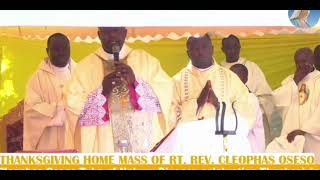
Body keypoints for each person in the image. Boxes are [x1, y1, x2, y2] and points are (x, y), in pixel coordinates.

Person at [63, 27, 173, 153]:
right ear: (99, 34)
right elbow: (71, 104)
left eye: (116, 30)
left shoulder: (146, 61)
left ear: (125, 33)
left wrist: (136, 84)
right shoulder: (85, 67)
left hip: (139, 142)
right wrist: (101, 93)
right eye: (107, 31)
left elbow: (166, 94)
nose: (112, 36)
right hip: (104, 143)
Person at [168, 34, 260, 153]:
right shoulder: (177, 81)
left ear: (212, 49)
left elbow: (247, 115)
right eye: (195, 48)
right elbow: (168, 118)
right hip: (190, 148)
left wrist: (218, 105)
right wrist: (197, 103)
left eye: (204, 47)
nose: (200, 52)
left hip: (223, 147)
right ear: (188, 53)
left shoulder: (230, 77)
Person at [23, 33, 77, 151]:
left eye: (65, 48)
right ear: (47, 51)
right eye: (56, 49)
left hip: (74, 138)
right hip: (48, 142)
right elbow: (31, 108)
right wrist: (57, 111)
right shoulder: (37, 78)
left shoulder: (80, 74)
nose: (61, 52)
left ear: (70, 49)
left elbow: (89, 102)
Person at [220, 34, 274, 145]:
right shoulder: (219, 70)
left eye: (235, 47)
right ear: (223, 50)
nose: (233, 51)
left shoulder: (252, 67)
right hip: (227, 122)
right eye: (229, 48)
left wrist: (251, 99)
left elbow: (266, 96)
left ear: (240, 47)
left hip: (252, 121)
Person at [272, 48, 320, 163]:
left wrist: (304, 130)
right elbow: (276, 100)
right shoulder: (289, 81)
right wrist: (295, 81)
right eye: (297, 62)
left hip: (313, 138)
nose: (300, 65)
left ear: (312, 59)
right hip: (291, 136)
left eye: (304, 61)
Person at [229, 64, 266, 152]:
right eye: (230, 77)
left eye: (237, 78)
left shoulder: (250, 99)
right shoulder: (231, 97)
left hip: (251, 150)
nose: (233, 81)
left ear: (246, 79)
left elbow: (244, 127)